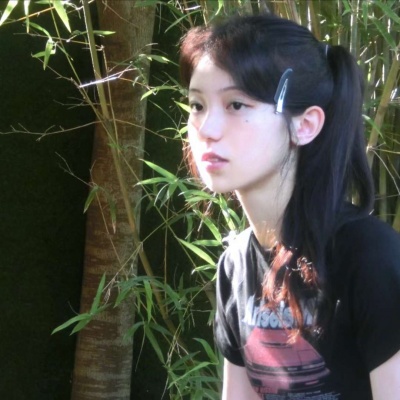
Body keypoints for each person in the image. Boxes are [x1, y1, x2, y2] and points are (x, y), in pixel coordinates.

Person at [179, 13, 400, 400]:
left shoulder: (371, 258)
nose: (206, 129)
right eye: (197, 105)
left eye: (236, 105)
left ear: (306, 125)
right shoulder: (235, 265)